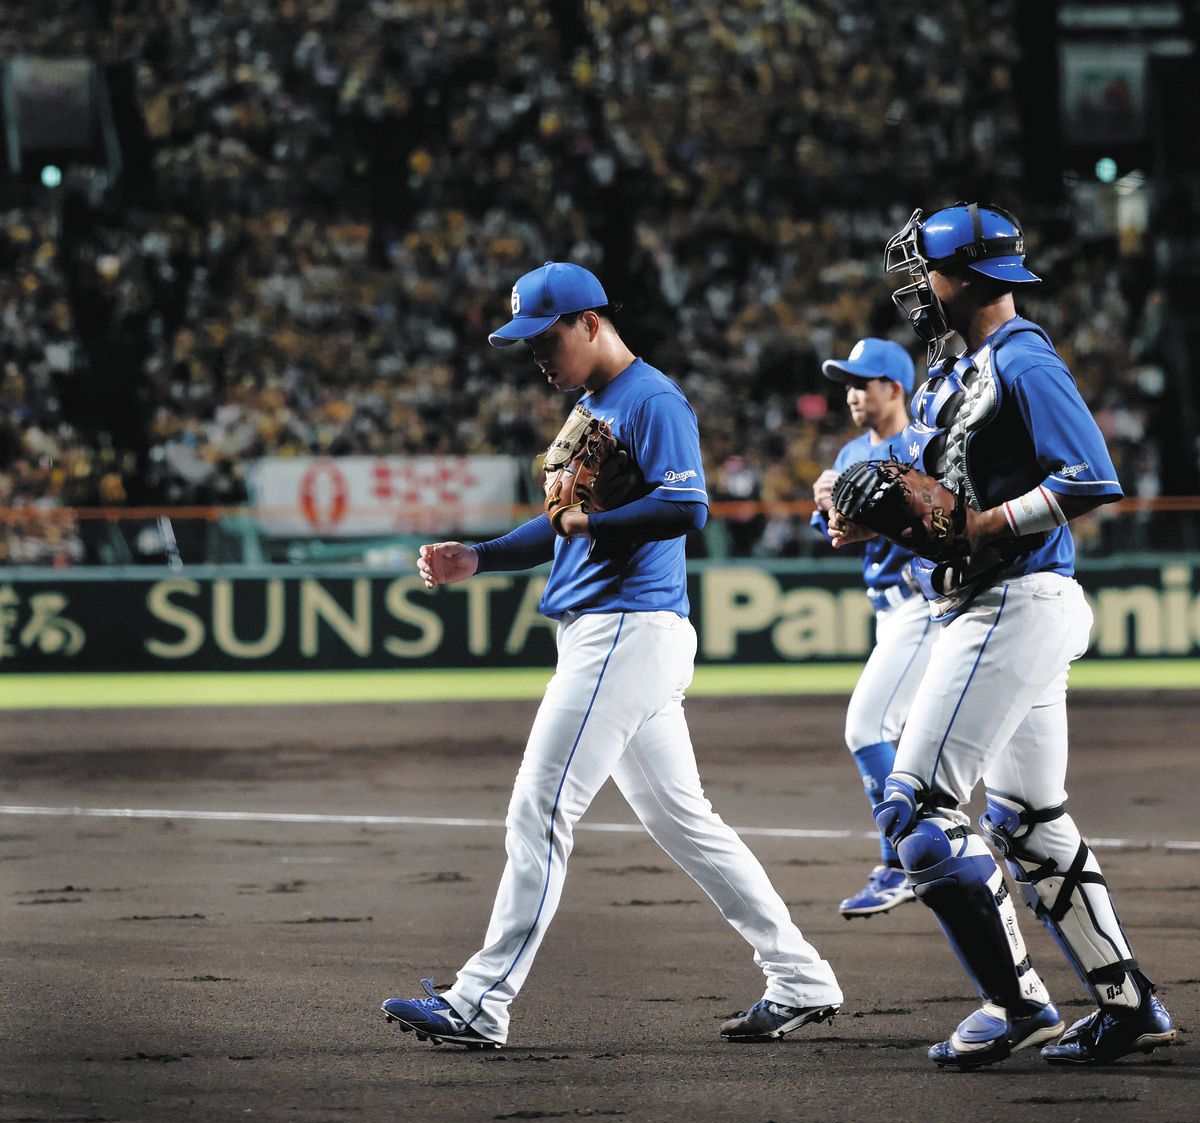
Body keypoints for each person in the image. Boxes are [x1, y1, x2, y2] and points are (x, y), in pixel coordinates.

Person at [380, 261, 843, 1048]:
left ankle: (480, 1001)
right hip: (613, 634)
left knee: (540, 808)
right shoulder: (593, 405)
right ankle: (800, 976)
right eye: (527, 343)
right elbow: (558, 520)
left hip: (626, 629)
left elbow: (686, 506)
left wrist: (591, 526)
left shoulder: (650, 399)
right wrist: (481, 557)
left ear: (591, 322)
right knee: (686, 824)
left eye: (546, 338)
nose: (537, 356)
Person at [829, 203, 1176, 1068]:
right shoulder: (956, 369)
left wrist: (984, 525)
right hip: (997, 605)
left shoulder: (1022, 357)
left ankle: (1016, 1005)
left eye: (928, 271)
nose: (918, 286)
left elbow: (1089, 476)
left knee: (917, 810)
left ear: (968, 278)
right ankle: (1128, 1005)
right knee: (1026, 820)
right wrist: (873, 513)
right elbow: (938, 496)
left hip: (1012, 602)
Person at [811, 338, 933, 918]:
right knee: (919, 746)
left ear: (894, 388)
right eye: (848, 385)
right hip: (888, 611)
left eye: (863, 383)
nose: (852, 395)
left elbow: (940, 524)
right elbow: (836, 534)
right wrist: (826, 507)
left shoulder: (924, 446)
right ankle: (935, 853)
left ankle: (900, 864)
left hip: (923, 604)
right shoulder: (852, 451)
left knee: (867, 726)